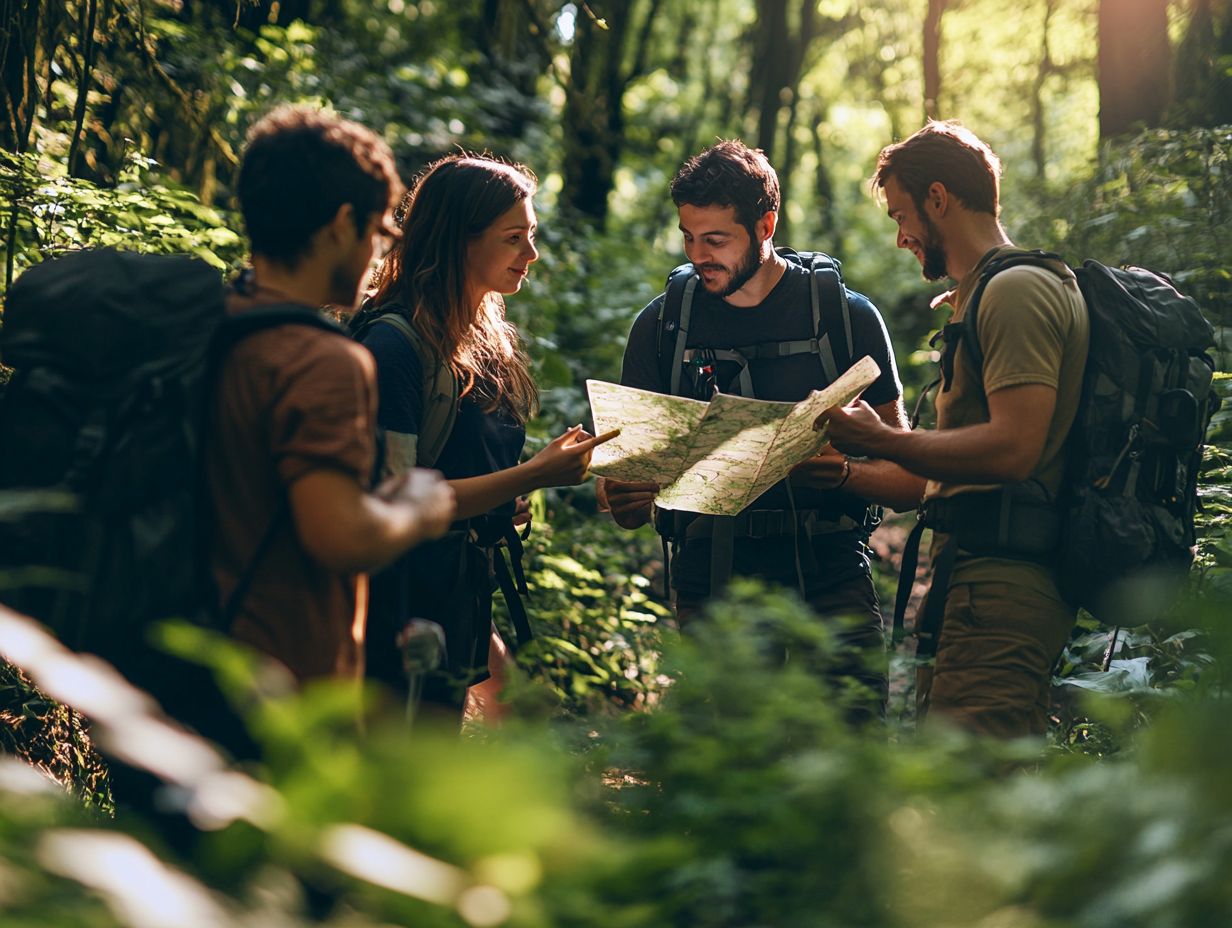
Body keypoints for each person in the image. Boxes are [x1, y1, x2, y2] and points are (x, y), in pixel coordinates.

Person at [602, 140, 923, 720]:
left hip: (830, 569)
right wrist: (625, 490)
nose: (700, 256)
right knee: (730, 767)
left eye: (716, 240)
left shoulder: (845, 318)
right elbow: (629, 504)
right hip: (710, 576)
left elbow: (909, 481)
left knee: (848, 754)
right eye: (689, 238)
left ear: (765, 224)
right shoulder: (663, 326)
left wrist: (845, 474)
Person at [824, 120, 1089, 738]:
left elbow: (1015, 448)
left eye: (901, 216)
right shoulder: (983, 294)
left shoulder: (1017, 292)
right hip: (974, 575)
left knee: (977, 785)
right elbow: (952, 461)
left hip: (1004, 584)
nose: (900, 239)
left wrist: (881, 438)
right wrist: (848, 469)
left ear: (938, 198)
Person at [206, 105, 456, 710]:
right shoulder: (323, 362)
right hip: (276, 692)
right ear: (343, 224)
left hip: (182, 664)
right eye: (377, 230)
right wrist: (420, 510)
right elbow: (341, 536)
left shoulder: (211, 325)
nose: (379, 250)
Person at [357, 153, 612, 720]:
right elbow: (394, 500)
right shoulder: (395, 348)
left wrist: (503, 499)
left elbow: (453, 475)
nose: (531, 254)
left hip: (455, 593)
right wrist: (533, 475)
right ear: (459, 240)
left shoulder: (475, 340)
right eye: (513, 238)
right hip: (398, 610)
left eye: (532, 235)